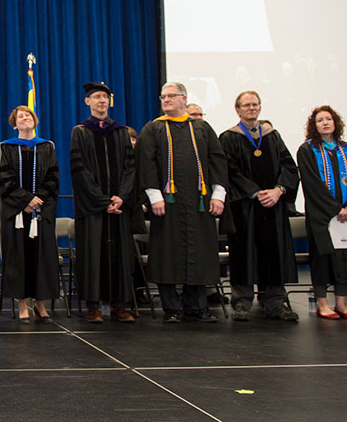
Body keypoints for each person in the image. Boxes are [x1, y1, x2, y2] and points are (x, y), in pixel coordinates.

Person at [138, 82, 227, 323]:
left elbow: (217, 161)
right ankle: (172, 308)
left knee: (199, 253)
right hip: (168, 203)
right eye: (163, 96)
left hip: (199, 203)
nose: (165, 100)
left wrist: (218, 194)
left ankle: (197, 307)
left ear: (183, 98)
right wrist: (155, 197)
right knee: (167, 254)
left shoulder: (201, 127)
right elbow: (146, 165)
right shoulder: (153, 129)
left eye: (171, 96)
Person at [219, 91, 299, 321]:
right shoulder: (228, 138)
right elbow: (229, 171)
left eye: (255, 104)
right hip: (244, 208)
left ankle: (274, 300)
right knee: (243, 253)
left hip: (273, 206)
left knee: (274, 253)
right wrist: (254, 191)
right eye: (246, 105)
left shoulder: (272, 136)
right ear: (238, 110)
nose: (251, 108)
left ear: (260, 108)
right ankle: (241, 301)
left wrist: (278, 190)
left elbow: (289, 167)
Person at [69, 83, 136, 323]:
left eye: (105, 97)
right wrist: (102, 200)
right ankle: (93, 305)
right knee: (93, 254)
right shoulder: (81, 132)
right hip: (93, 208)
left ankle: (119, 305)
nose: (102, 101)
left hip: (118, 206)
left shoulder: (121, 132)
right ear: (88, 101)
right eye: (97, 97)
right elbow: (79, 171)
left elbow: (130, 168)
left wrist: (121, 196)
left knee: (119, 255)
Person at [0, 106, 59, 324]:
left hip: (40, 212)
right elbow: (6, 180)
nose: (25, 118)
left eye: (28, 115)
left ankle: (40, 305)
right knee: (19, 260)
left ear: (35, 120)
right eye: (20, 117)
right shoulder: (7, 148)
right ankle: (23, 305)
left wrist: (38, 200)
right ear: (15, 125)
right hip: (18, 215)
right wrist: (25, 201)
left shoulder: (46, 147)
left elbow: (52, 178)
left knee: (40, 259)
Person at [296, 105, 347, 318]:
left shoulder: (345, 148)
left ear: (336, 123)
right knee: (322, 257)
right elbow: (312, 184)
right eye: (320, 120)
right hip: (320, 214)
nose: (325, 122)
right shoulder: (307, 150)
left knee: (343, 258)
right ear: (314, 125)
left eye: (328, 119)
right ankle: (323, 303)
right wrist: (336, 210)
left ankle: (342, 303)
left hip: (345, 216)